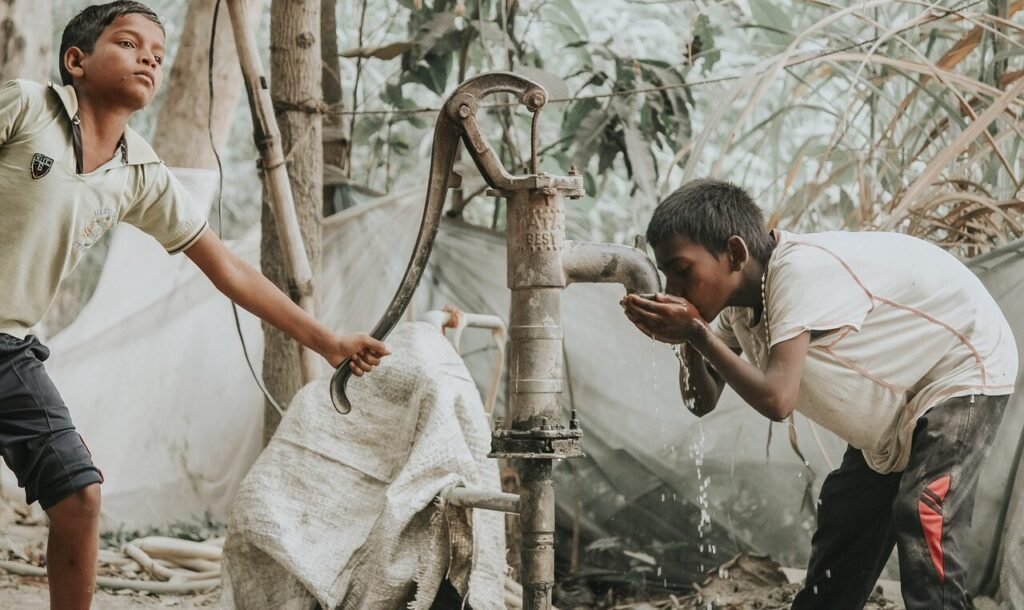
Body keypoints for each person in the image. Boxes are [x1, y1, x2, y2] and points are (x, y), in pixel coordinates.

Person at [0, 2, 389, 608]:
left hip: (10, 349)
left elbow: (229, 268)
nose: (149, 60)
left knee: (79, 497)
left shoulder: (141, 174)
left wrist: (328, 340)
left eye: (157, 54)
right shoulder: (26, 106)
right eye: (129, 45)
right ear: (76, 61)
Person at [621, 178, 1017, 609]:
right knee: (848, 513)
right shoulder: (738, 304)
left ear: (735, 253)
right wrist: (687, 340)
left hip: (963, 363)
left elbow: (777, 399)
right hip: (903, 399)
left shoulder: (798, 272)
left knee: (925, 511)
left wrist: (695, 333)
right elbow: (703, 401)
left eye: (682, 271)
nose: (674, 290)